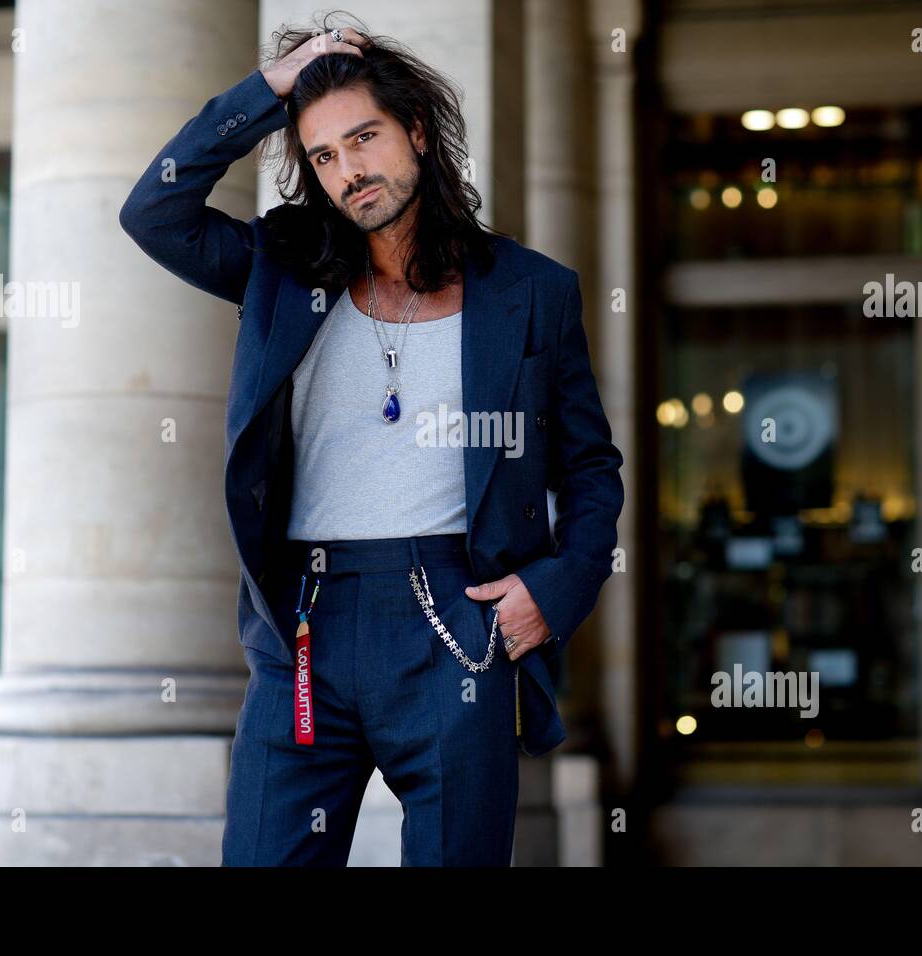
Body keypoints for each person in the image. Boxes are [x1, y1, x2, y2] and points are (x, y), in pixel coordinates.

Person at [119, 16, 623, 867]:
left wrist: (557, 587)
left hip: (458, 621)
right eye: (323, 156)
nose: (350, 171)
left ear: (416, 133)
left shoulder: (532, 292)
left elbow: (590, 467)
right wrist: (269, 91)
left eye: (364, 138)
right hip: (305, 628)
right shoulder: (282, 267)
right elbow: (154, 211)